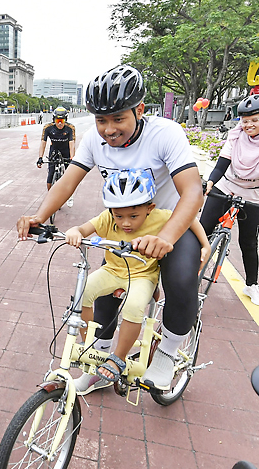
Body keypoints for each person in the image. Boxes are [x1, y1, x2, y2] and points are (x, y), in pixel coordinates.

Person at [18, 65, 205, 394]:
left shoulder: (165, 134)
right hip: (125, 225)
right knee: (105, 291)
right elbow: (68, 182)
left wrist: (165, 238)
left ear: (140, 110)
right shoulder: (93, 140)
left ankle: (168, 352)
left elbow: (192, 191)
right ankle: (98, 363)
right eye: (101, 120)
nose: (108, 129)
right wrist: (39, 216)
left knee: (180, 280)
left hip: (170, 222)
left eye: (118, 118)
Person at [65, 170, 209, 392]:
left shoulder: (160, 216)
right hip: (112, 270)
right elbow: (84, 228)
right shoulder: (107, 218)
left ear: (149, 209)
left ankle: (118, 358)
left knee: (133, 307)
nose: (125, 224)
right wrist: (75, 231)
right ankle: (90, 346)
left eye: (133, 216)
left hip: (142, 275)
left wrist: (205, 243)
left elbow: (189, 220)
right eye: (118, 216)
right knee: (82, 292)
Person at [199, 94, 259, 307]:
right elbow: (222, 163)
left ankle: (251, 285)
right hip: (227, 185)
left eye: (254, 120)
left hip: (255, 192)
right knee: (202, 230)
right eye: (245, 120)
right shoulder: (235, 135)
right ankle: (187, 269)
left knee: (248, 242)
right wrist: (210, 183)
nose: (248, 125)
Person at [37, 106, 76, 193]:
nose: (59, 124)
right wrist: (40, 158)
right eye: (57, 121)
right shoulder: (48, 128)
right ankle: (50, 196)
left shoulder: (70, 128)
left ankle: (70, 195)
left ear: (65, 120)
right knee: (50, 174)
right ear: (54, 120)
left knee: (70, 175)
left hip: (66, 151)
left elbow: (72, 143)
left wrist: (72, 158)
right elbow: (43, 142)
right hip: (54, 150)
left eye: (62, 121)